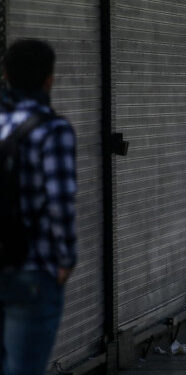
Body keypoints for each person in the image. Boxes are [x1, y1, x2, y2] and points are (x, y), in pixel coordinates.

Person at [0, 40, 77, 374]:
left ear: (5, 75)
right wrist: (65, 260)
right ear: (49, 79)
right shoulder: (53, 129)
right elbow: (60, 203)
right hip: (33, 270)